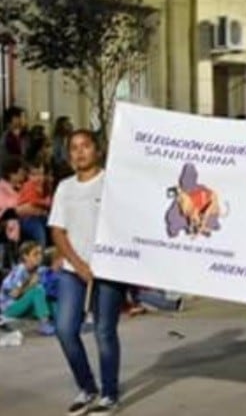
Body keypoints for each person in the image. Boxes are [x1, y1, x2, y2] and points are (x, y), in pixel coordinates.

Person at [49, 129, 125, 416]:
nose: (80, 152)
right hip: (73, 269)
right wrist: (78, 265)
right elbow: (57, 230)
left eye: (85, 146)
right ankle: (87, 387)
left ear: (97, 150)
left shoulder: (111, 184)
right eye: (74, 148)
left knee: (105, 332)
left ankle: (109, 394)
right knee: (66, 329)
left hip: (109, 270)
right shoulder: (65, 188)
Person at [0, 241, 56, 335]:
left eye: (40, 253)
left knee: (53, 305)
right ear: (25, 256)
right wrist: (30, 284)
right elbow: (14, 294)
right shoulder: (20, 270)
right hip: (10, 309)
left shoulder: (39, 269)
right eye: (35, 254)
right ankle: (44, 324)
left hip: (25, 306)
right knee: (37, 291)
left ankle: (64, 323)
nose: (39, 256)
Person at [18, 158, 51, 247]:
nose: (39, 178)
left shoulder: (44, 186)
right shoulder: (29, 186)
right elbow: (32, 201)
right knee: (40, 235)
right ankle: (40, 255)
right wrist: (46, 202)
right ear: (28, 176)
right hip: (27, 219)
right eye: (34, 175)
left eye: (41, 174)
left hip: (38, 216)